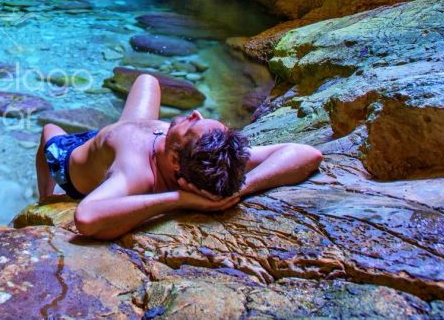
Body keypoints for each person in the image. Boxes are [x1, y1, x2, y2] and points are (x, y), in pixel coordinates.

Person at [35, 74, 322, 240]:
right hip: (127, 133)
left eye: (193, 125)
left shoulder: (135, 173)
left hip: (73, 160)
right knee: (147, 80)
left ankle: (44, 195)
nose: (196, 114)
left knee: (49, 129)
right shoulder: (215, 156)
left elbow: (86, 217)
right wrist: (237, 190)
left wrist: (179, 200)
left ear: (175, 161)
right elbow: (308, 153)